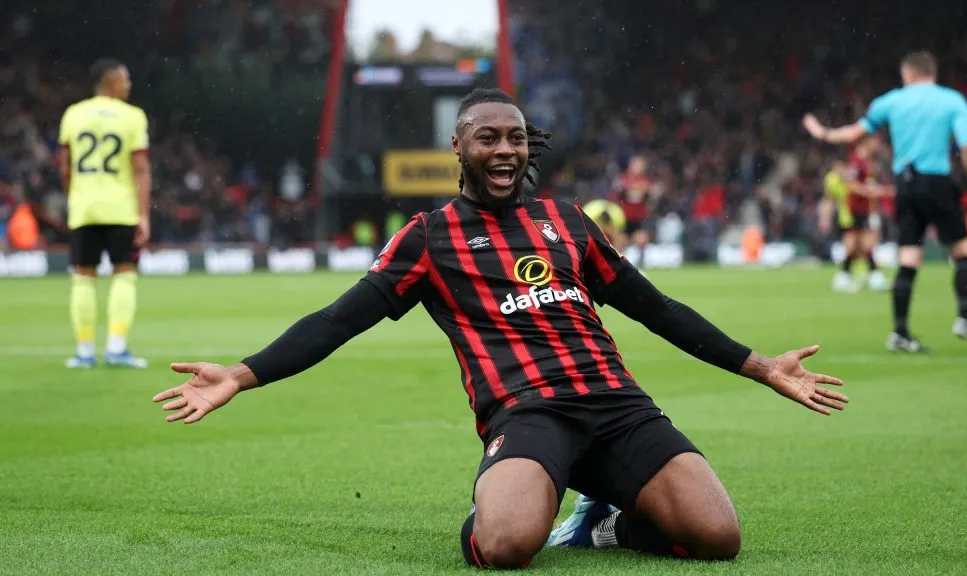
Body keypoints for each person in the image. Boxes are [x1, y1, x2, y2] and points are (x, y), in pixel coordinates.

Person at [153, 89, 848, 569]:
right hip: (527, 411)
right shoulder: (430, 238)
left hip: (617, 405)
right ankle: (508, 498)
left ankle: (603, 521)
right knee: (509, 547)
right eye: (488, 138)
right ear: (457, 146)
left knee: (717, 538)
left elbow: (657, 308)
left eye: (516, 137)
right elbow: (338, 320)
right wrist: (241, 376)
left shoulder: (571, 222)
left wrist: (762, 366)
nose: (505, 150)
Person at [803, 50, 967, 353]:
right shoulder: (952, 101)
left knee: (908, 259)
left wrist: (821, 133)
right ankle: (965, 317)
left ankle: (901, 332)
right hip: (938, 182)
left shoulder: (890, 101)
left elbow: (854, 133)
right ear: (932, 73)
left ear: (909, 73)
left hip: (905, 185)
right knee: (961, 251)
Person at [58, 58, 151, 368]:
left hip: (84, 208)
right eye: (125, 80)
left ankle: (84, 352)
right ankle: (116, 347)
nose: (129, 85)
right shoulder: (133, 117)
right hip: (122, 208)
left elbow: (65, 165)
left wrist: (76, 195)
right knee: (124, 273)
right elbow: (140, 169)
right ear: (112, 83)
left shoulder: (73, 114)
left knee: (83, 277)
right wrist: (144, 215)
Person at [822, 136, 893, 293]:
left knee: (862, 244)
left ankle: (849, 277)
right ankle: (869, 277)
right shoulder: (856, 161)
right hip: (856, 209)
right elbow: (851, 185)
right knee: (860, 244)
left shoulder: (867, 161)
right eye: (876, 141)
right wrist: (873, 192)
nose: (878, 145)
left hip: (864, 208)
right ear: (867, 142)